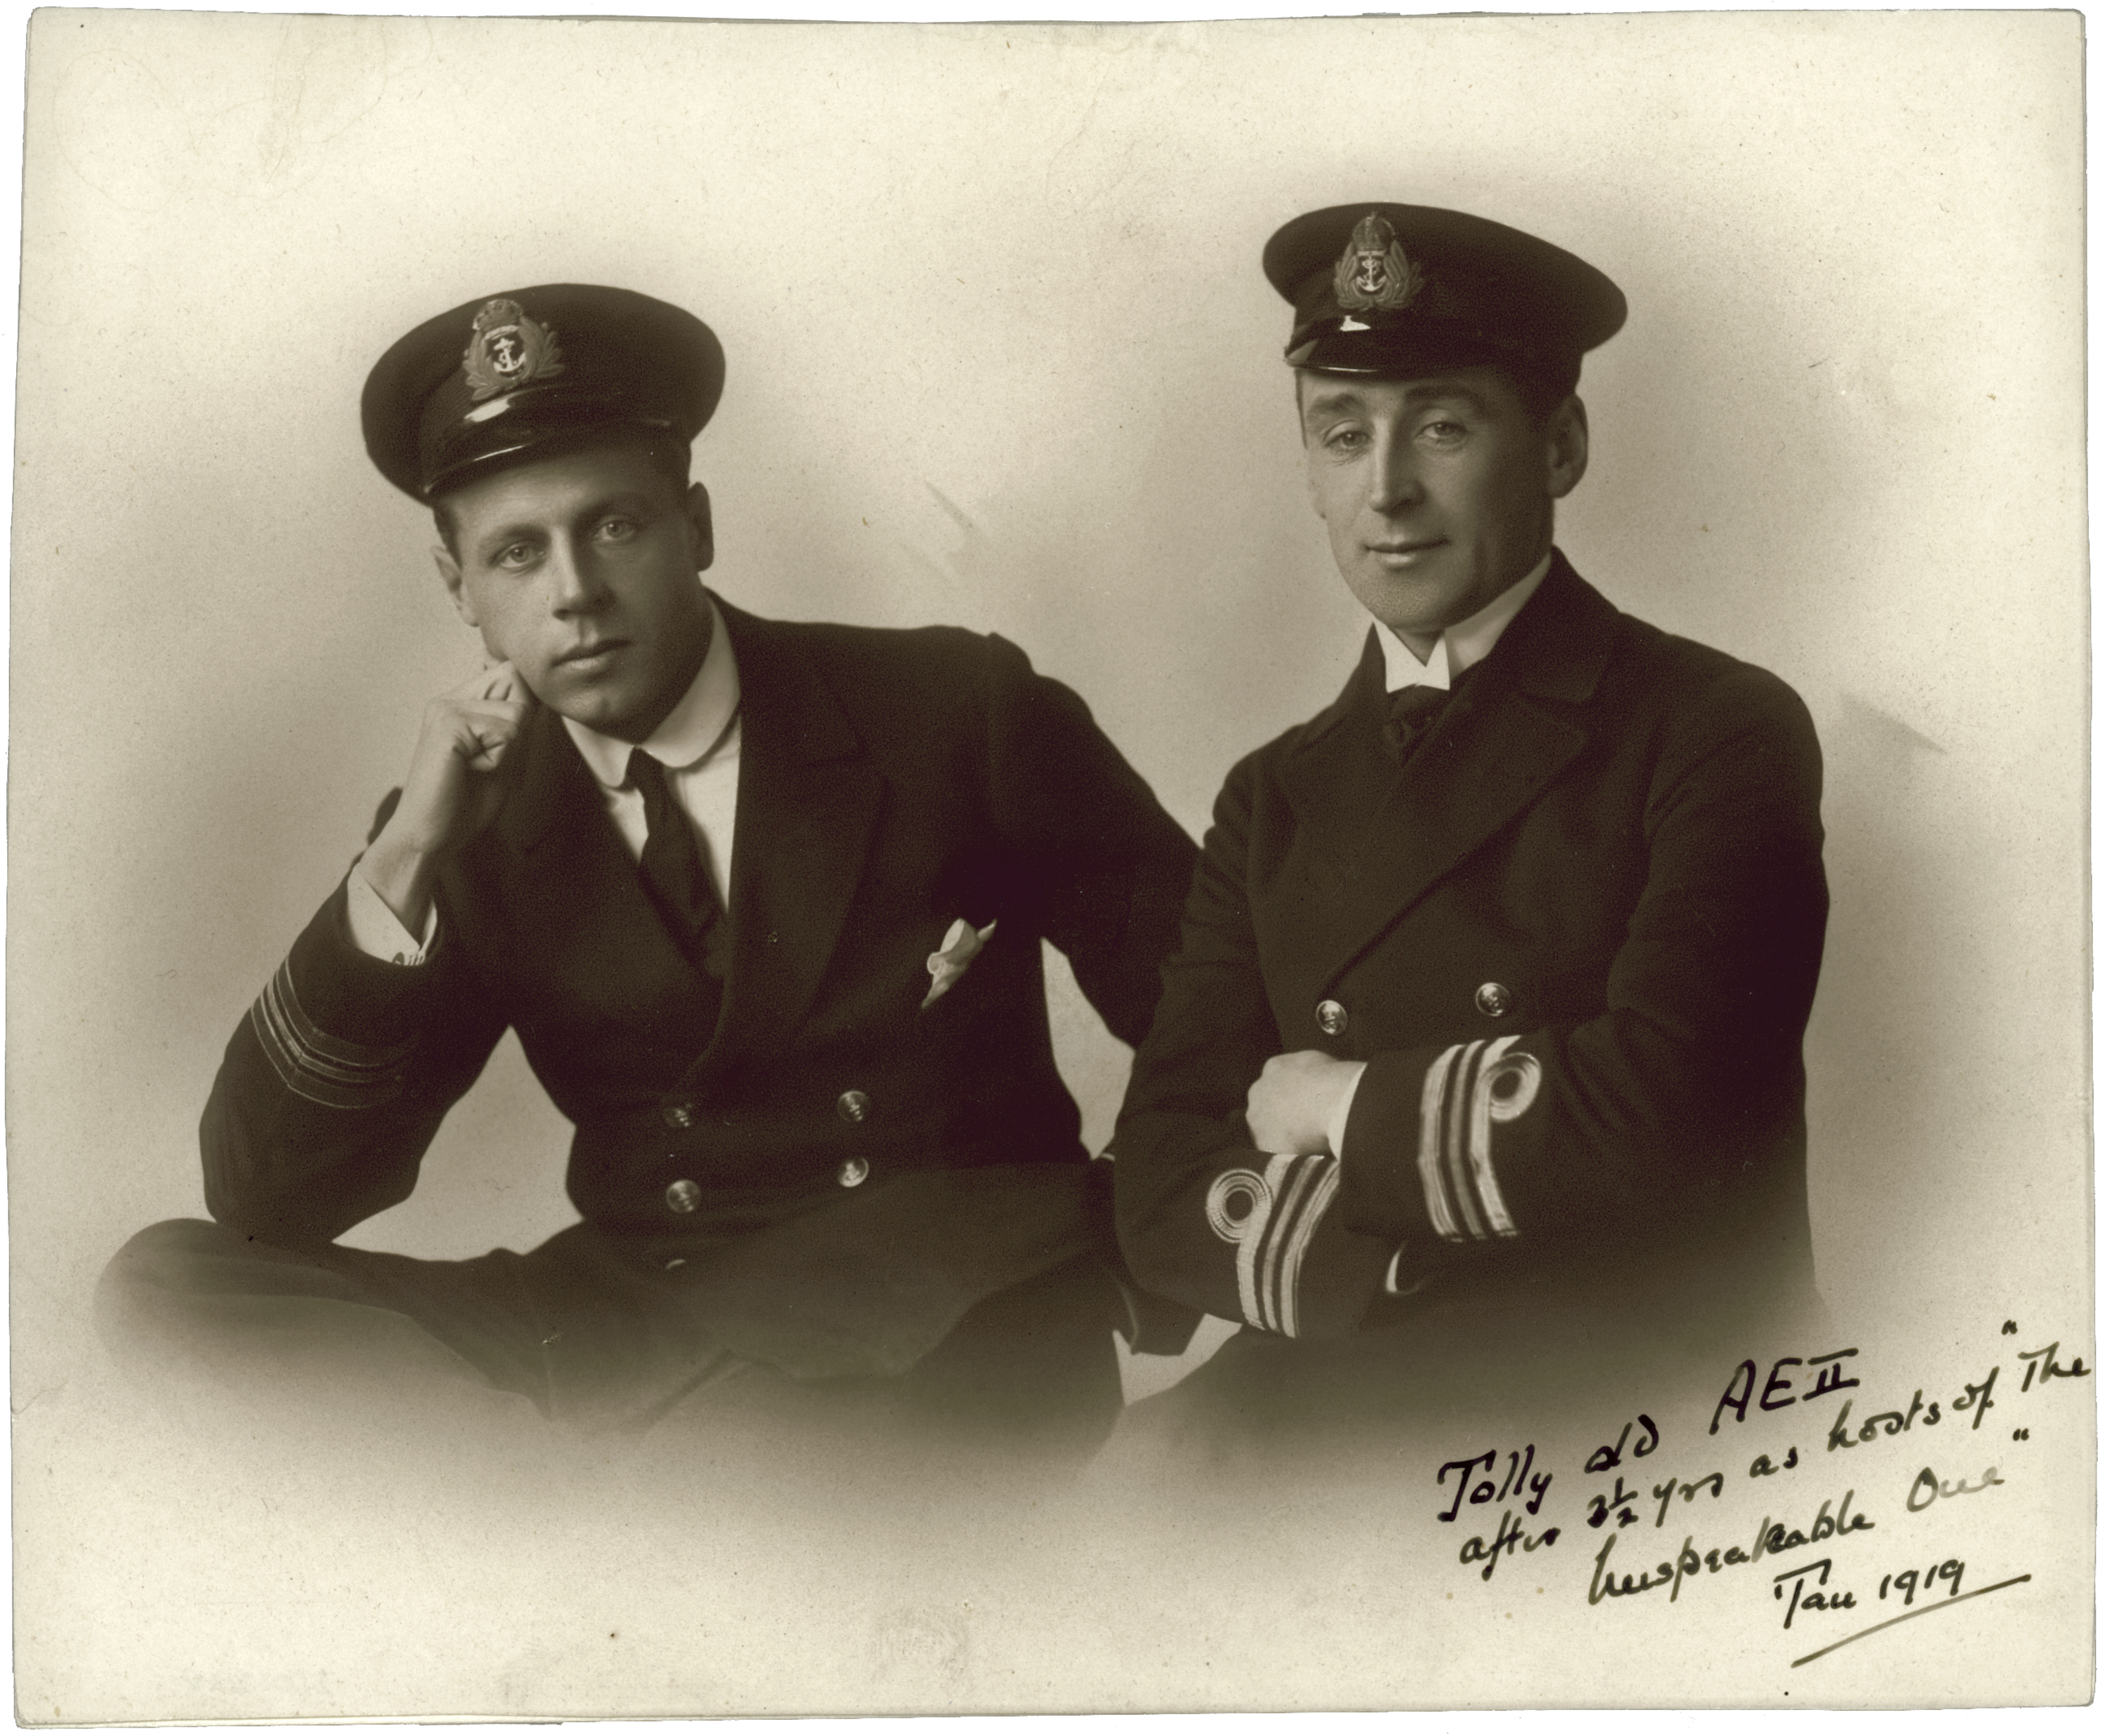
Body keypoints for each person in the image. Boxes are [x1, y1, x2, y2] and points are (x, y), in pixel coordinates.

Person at [99, 283, 1198, 1469]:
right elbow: (270, 1202)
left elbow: (1214, 1012)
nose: (572, 590)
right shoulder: (469, 811)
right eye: (517, 553)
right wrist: (405, 851)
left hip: (943, 1305)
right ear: (458, 588)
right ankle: (602, 1514)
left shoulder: (949, 711)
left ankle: (585, 1512)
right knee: (164, 1285)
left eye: (612, 526)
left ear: (697, 527)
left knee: (731, 1462)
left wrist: (1118, 1245)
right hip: (640, 1310)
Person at [1107, 206, 1830, 1457]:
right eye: (1342, 434)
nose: (1384, 489)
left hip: (1652, 1391)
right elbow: (1166, 1163)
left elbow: (1670, 1113)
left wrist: (1336, 1108)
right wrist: (1387, 1275)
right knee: (1129, 1500)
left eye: (1440, 426)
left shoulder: (1717, 727)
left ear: (1560, 445)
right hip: (1354, 1333)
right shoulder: (1270, 794)